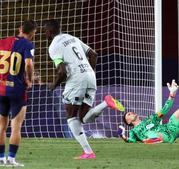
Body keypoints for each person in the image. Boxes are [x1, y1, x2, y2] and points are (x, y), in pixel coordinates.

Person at [45, 19, 125, 159]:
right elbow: (93, 54)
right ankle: (106, 102)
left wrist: (54, 85)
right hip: (90, 75)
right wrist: (89, 72)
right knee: (83, 118)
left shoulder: (53, 47)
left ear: (49, 31)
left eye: (45, 30)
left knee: (70, 116)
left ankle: (88, 152)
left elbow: (62, 71)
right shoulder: (72, 38)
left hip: (76, 79)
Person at [0, 20, 37, 166]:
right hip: (18, 91)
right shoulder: (28, 45)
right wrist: (29, 79)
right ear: (33, 33)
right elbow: (29, 64)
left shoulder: (2, 42)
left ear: (20, 29)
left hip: (2, 90)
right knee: (16, 127)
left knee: (1, 127)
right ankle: (11, 159)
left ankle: (1, 160)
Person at [118, 80, 179, 144]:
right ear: (128, 122)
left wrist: (172, 95)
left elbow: (164, 110)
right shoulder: (134, 131)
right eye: (129, 114)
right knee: (151, 134)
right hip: (162, 137)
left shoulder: (151, 118)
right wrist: (123, 137)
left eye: (130, 112)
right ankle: (152, 140)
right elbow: (131, 141)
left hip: (171, 129)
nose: (131, 113)